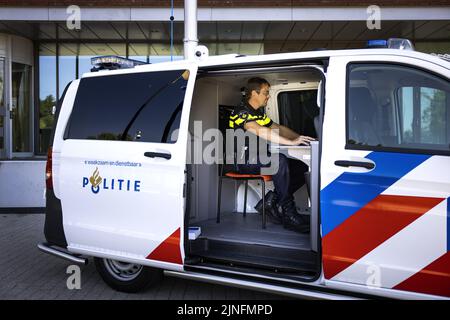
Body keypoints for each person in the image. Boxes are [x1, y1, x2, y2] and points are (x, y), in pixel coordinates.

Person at [229, 77, 315, 232]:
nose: (268, 96)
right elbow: (259, 130)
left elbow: (278, 128)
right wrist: (291, 143)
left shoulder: (259, 114)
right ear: (254, 93)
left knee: (301, 166)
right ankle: (288, 213)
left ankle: (270, 201)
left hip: (259, 158)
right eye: (266, 93)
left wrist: (301, 139)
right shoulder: (241, 112)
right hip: (244, 162)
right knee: (279, 160)